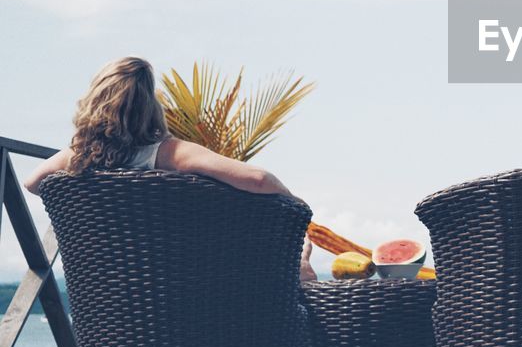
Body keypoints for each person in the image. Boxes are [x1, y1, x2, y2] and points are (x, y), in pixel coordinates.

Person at [24, 57, 316, 281]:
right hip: (181, 293)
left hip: (108, 311)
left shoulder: (76, 157)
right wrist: (295, 202)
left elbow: (33, 183)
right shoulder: (168, 153)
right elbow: (259, 179)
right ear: (151, 106)